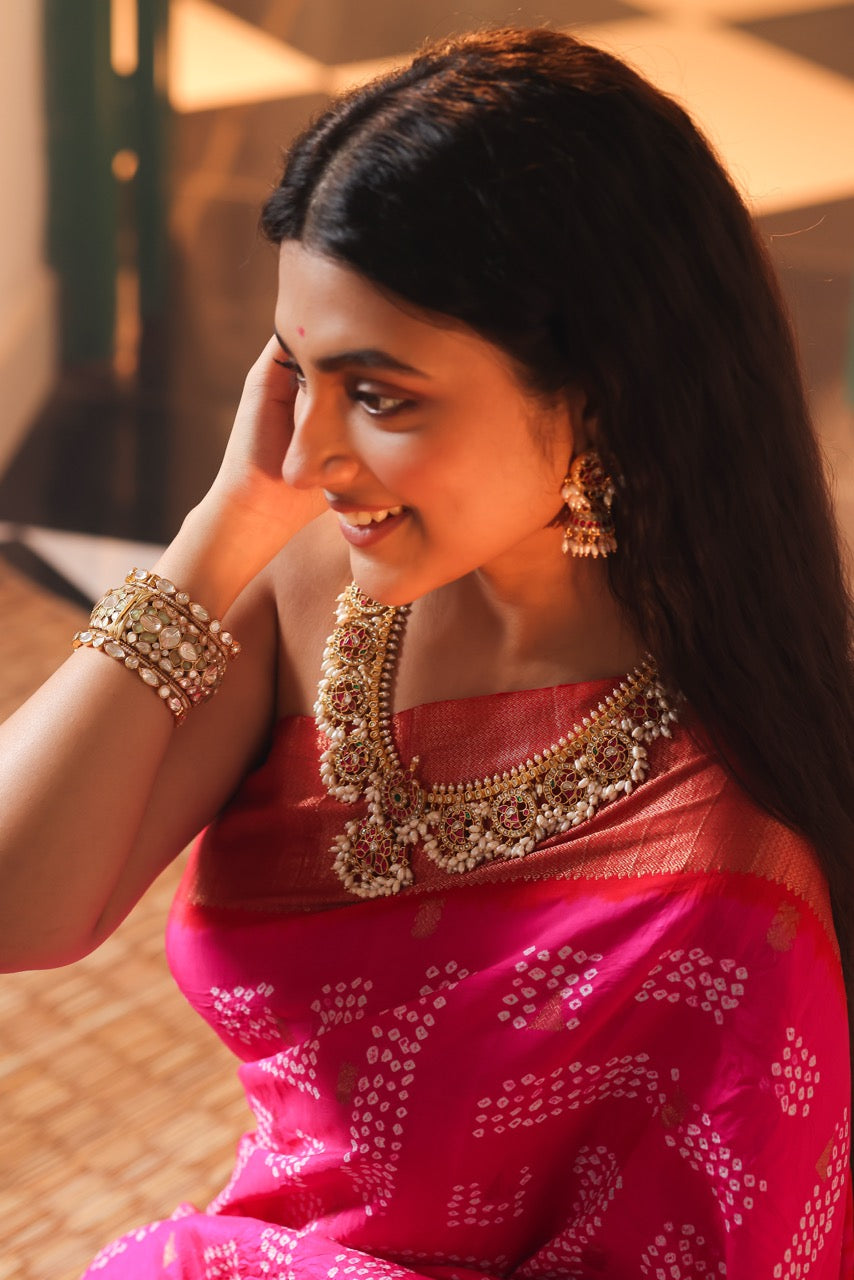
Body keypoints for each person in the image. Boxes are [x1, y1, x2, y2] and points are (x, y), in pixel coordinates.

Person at [2, 24, 853, 1278]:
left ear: (596, 390)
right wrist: (213, 536)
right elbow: (23, 905)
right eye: (296, 371)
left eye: (381, 392)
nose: (305, 456)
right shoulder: (305, 582)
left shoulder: (727, 854)